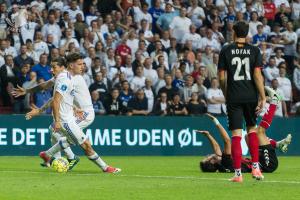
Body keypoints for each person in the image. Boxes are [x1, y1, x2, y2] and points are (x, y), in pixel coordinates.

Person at [12, 54, 120, 173]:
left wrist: (33, 100)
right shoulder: (65, 78)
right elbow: (51, 93)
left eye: (83, 63)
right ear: (70, 65)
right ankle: (57, 156)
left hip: (84, 113)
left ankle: (53, 155)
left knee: (63, 134)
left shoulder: (69, 77)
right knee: (62, 134)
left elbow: (52, 93)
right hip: (77, 115)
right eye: (80, 64)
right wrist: (28, 93)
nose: (83, 66)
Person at [197, 87, 292, 173]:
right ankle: (275, 100)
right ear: (212, 161)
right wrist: (216, 121)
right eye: (206, 158)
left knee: (249, 136)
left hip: (260, 161)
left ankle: (278, 145)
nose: (207, 156)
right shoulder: (225, 162)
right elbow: (227, 141)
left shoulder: (222, 163)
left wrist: (208, 135)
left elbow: (216, 148)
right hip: (267, 164)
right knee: (260, 131)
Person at [218, 21, 266, 182]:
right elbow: (257, 76)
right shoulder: (254, 50)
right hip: (251, 96)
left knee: (236, 135)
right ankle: (256, 169)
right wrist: (263, 97)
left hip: (234, 97)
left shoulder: (226, 50)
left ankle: (238, 175)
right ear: (247, 34)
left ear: (233, 32)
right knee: (252, 130)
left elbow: (222, 77)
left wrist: (226, 93)